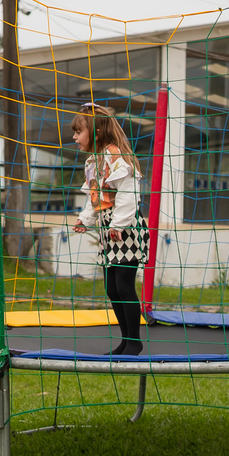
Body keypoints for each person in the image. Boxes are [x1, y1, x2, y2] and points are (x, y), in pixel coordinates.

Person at [71, 103, 149, 356]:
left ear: (95, 132)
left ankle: (134, 342)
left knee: (124, 286)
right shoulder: (94, 161)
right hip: (110, 233)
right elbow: (96, 196)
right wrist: (86, 219)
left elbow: (128, 194)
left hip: (125, 231)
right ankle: (126, 340)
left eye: (78, 131)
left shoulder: (115, 157)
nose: (74, 137)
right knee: (112, 288)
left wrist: (118, 224)